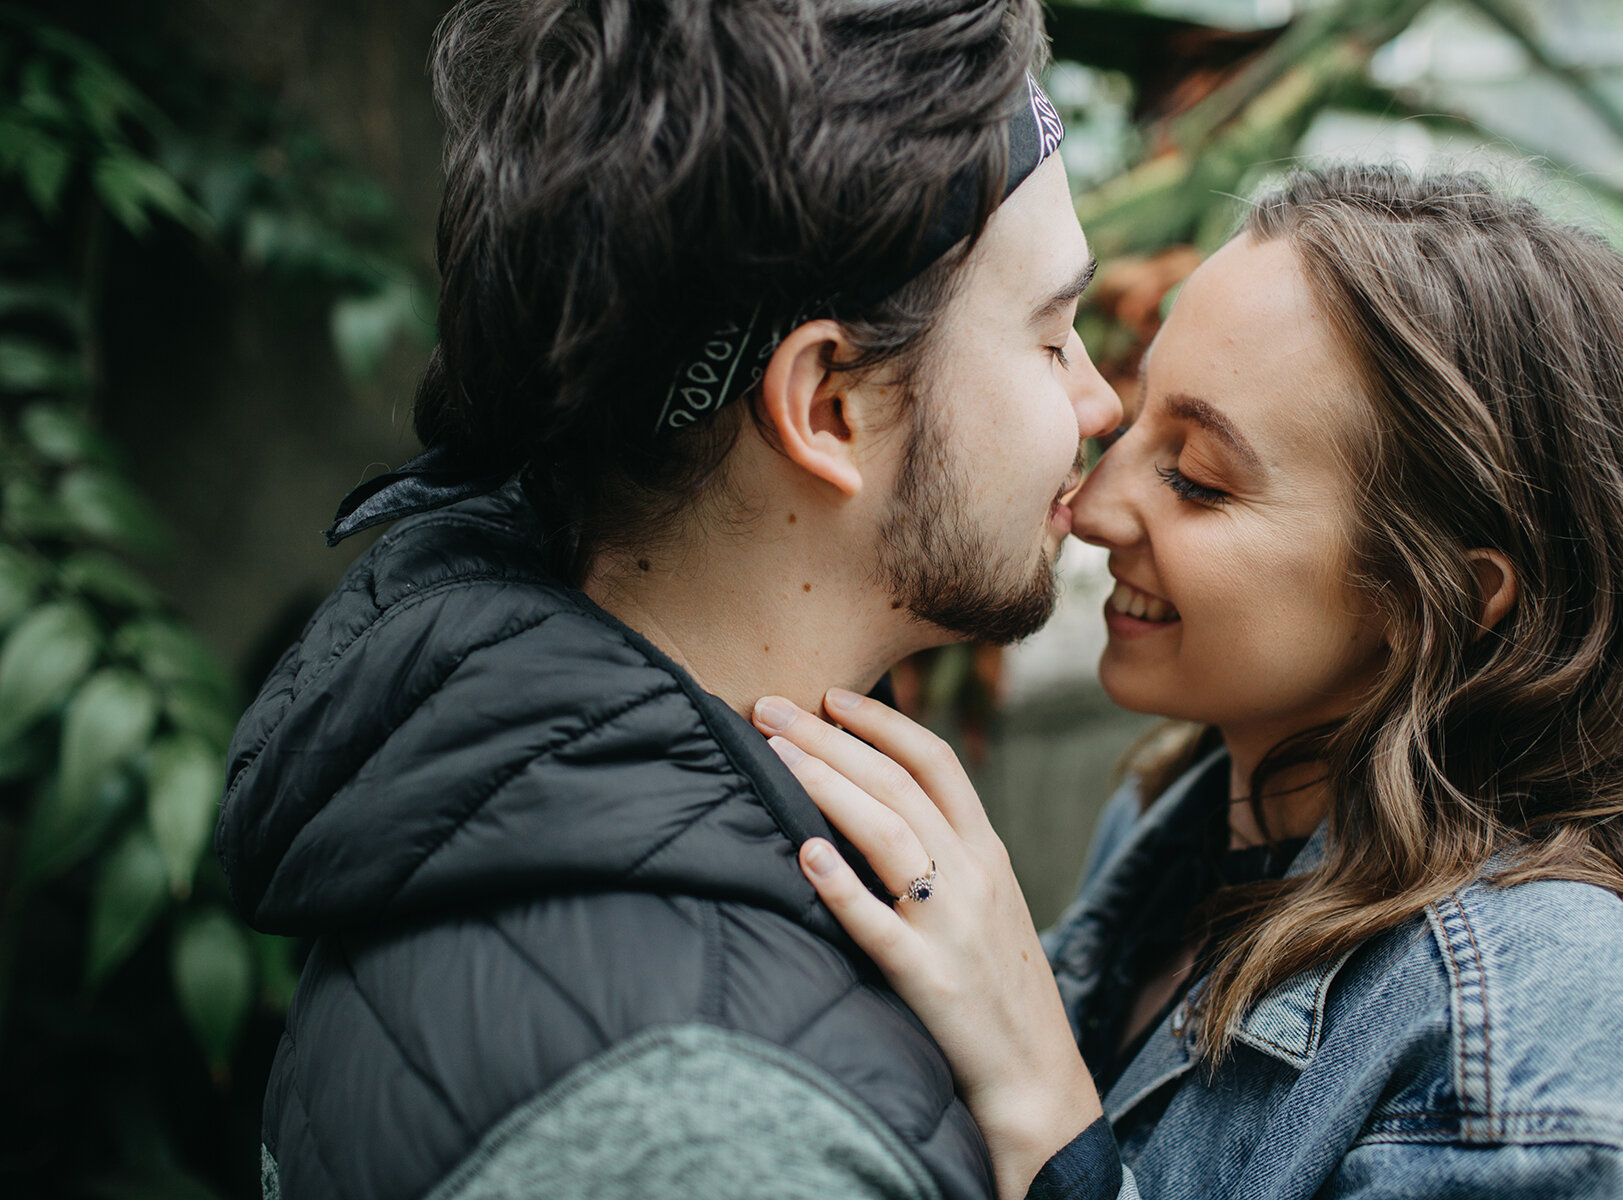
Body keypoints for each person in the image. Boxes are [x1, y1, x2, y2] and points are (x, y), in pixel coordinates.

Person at [216, 1, 1120, 1197]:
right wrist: (1063, 1141)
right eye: (1052, 336)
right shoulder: (717, 1139)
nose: (1101, 400)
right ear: (829, 405)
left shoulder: (483, 782)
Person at [755, 166, 1623, 1200]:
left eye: (1196, 477)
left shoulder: (1529, 995)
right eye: (1130, 422)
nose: (1093, 505)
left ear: (1441, 600)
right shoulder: (1175, 822)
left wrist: (1045, 1107)